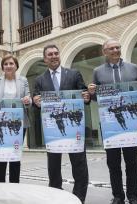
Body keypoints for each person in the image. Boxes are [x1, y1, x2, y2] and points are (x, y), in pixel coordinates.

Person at [88, 39, 137, 204]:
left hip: (131, 124)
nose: (116, 50)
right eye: (112, 48)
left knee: (132, 163)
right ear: (105, 52)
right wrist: (91, 92)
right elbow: (96, 98)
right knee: (113, 164)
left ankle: (133, 196)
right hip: (110, 125)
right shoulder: (97, 71)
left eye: (118, 47)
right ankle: (118, 196)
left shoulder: (133, 68)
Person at [33, 44, 90, 204]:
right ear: (45, 59)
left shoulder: (74, 74)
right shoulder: (40, 79)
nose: (53, 56)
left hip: (74, 129)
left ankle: (78, 199)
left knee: (79, 166)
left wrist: (86, 97)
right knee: (54, 168)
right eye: (50, 54)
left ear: (60, 55)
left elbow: (84, 93)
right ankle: (57, 198)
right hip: (53, 132)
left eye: (56, 53)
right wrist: (35, 102)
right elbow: (35, 100)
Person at [0, 54, 31, 183]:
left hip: (19, 123)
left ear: (16, 66)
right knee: (0, 156)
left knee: (15, 156)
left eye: (11, 63)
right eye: (6, 64)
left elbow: (29, 99)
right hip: (0, 122)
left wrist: (27, 100)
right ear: (2, 67)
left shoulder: (23, 80)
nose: (8, 66)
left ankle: (14, 186)